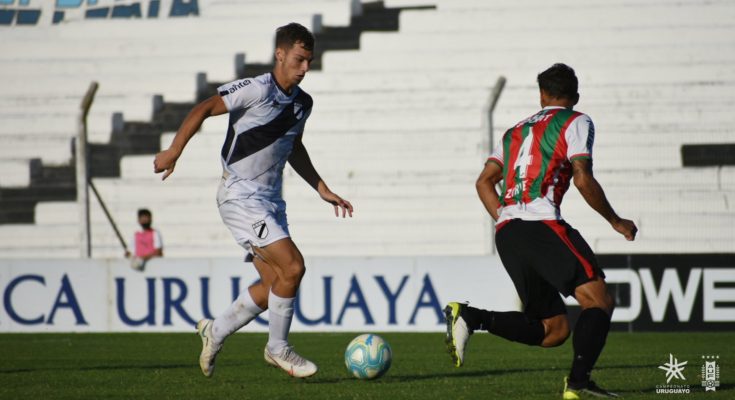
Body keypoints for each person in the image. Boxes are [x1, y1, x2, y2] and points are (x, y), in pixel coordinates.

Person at [153, 22, 353, 379]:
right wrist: (174, 150)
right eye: (299, 59)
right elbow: (204, 107)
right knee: (293, 267)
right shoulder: (257, 88)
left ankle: (214, 331)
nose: (305, 68)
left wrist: (321, 187)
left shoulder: (303, 104)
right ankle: (277, 348)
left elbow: (294, 147)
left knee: (274, 282)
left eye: (309, 61)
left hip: (272, 200)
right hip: (240, 195)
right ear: (280, 54)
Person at [444, 63, 637, 399]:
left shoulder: (514, 131)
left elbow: (484, 182)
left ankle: (472, 316)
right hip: (541, 224)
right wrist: (616, 221)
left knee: (554, 330)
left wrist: (507, 219)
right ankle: (579, 385)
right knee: (599, 300)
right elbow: (582, 177)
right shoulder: (576, 121)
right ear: (575, 95)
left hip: (507, 232)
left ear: (542, 95)